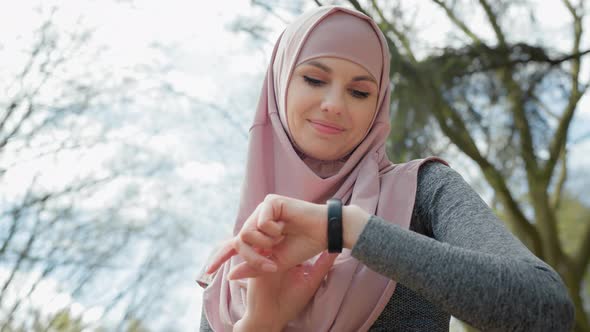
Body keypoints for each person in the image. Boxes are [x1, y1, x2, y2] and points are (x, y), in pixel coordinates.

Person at [197, 5, 574, 332]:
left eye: (360, 91)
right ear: (279, 86)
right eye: (314, 79)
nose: (334, 104)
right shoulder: (233, 268)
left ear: (378, 107)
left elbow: (546, 310)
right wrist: (261, 325)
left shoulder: (423, 192)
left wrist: (343, 227)